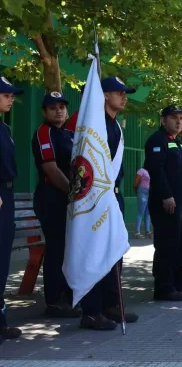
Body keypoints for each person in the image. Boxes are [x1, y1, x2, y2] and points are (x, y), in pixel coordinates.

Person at [31, 92, 81, 318]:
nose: (58, 111)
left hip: (69, 198)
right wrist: (73, 192)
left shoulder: (70, 134)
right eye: (52, 108)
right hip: (51, 197)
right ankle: (54, 301)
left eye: (62, 107)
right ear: (44, 112)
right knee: (57, 248)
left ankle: (69, 295)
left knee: (70, 248)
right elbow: (50, 168)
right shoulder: (44, 132)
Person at [98, 76, 138, 324]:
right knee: (100, 252)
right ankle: (94, 309)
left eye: (125, 93)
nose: (124, 97)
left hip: (114, 194)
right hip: (99, 197)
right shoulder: (96, 125)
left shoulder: (115, 125)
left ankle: (111, 304)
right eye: (119, 93)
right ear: (104, 95)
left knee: (114, 252)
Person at [145, 105, 182, 301]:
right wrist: (166, 195)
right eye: (174, 118)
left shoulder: (178, 143)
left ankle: (177, 283)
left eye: (181, 118)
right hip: (167, 204)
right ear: (163, 120)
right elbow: (156, 170)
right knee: (167, 245)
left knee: (181, 244)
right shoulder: (157, 140)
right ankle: (164, 287)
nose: (179, 122)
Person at [0, 76, 23, 341]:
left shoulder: (4, 128)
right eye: (6, 95)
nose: (11, 98)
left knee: (3, 260)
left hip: (7, 193)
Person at [133, 167, 152, 239]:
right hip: (142, 192)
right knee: (140, 212)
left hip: (149, 193)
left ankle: (147, 231)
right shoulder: (141, 171)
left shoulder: (151, 171)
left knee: (148, 213)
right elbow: (135, 183)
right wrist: (138, 192)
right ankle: (137, 232)